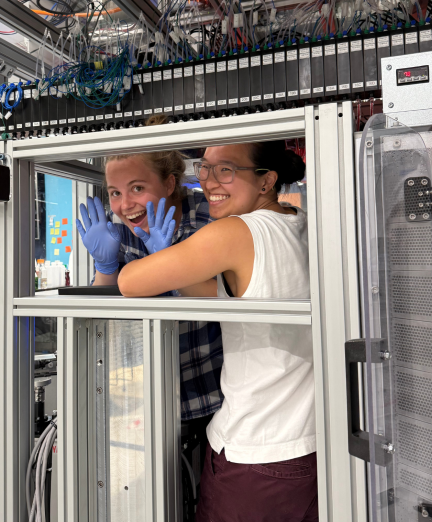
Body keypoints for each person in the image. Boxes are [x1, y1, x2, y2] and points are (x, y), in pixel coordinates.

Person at [115, 140, 314, 522]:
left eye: (226, 170)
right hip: (304, 448)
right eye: (204, 168)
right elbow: (224, 293)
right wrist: (169, 260)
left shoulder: (236, 231)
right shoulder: (297, 222)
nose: (208, 182)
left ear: (266, 180)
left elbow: (129, 282)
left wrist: (123, 261)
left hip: (252, 455)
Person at [74, 150, 225, 519]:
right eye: (114, 192)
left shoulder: (208, 217)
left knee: (211, 498)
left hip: (211, 390)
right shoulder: (121, 233)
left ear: (170, 183)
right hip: (149, 396)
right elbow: (103, 317)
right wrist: (105, 267)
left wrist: (170, 260)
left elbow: (221, 304)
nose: (125, 204)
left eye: (137, 188)